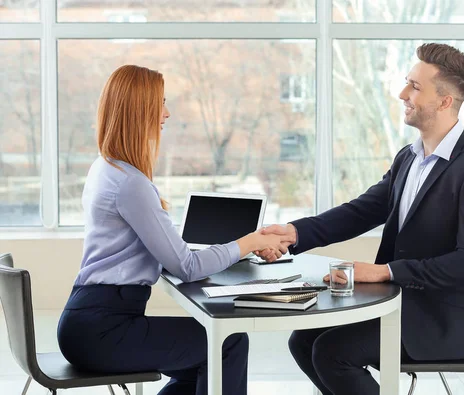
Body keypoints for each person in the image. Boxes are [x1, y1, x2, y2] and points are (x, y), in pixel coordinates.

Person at [256, 43, 464, 395]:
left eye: (415, 87)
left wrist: (385, 272)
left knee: (333, 352)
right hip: (402, 303)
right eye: (407, 82)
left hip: (443, 320)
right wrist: (294, 233)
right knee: (303, 341)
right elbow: (361, 211)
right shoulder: (409, 157)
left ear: (445, 101)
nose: (402, 93)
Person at [57, 65, 290, 395]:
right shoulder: (130, 184)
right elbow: (187, 267)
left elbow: (170, 258)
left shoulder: (107, 168)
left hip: (88, 321)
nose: (166, 114)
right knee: (228, 342)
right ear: (139, 110)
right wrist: (250, 242)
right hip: (102, 331)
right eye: (160, 104)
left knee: (197, 360)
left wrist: (225, 249)